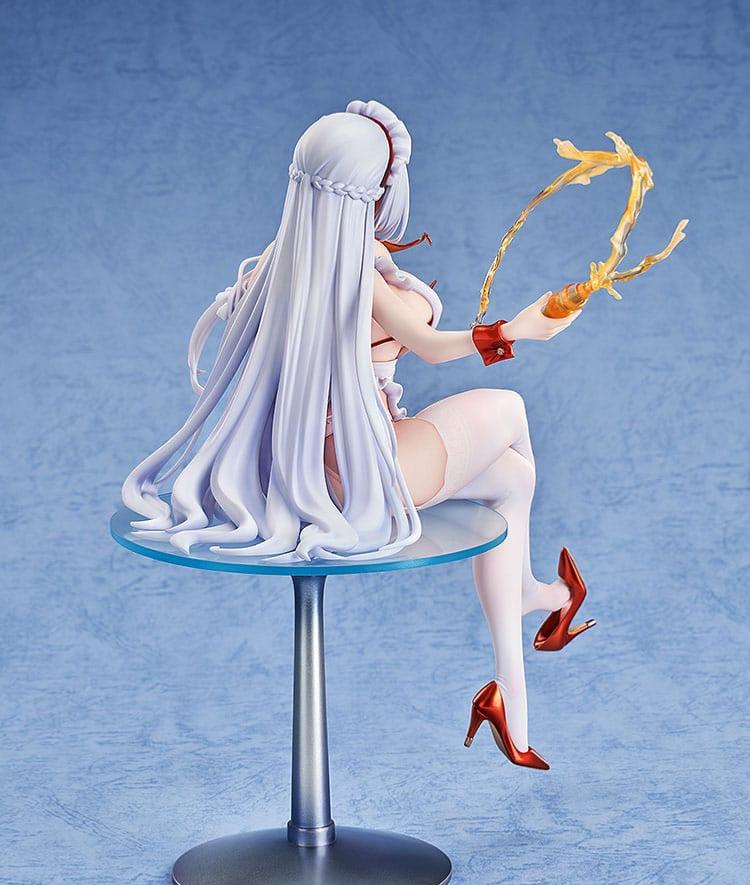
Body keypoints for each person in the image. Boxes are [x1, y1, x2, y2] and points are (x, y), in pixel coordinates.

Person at [122, 100, 595, 770]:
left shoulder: (273, 269)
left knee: (514, 480)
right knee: (511, 409)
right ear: (367, 193)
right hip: (378, 466)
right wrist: (518, 329)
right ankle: (518, 609)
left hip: (314, 470)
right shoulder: (358, 277)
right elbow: (432, 347)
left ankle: (511, 697)